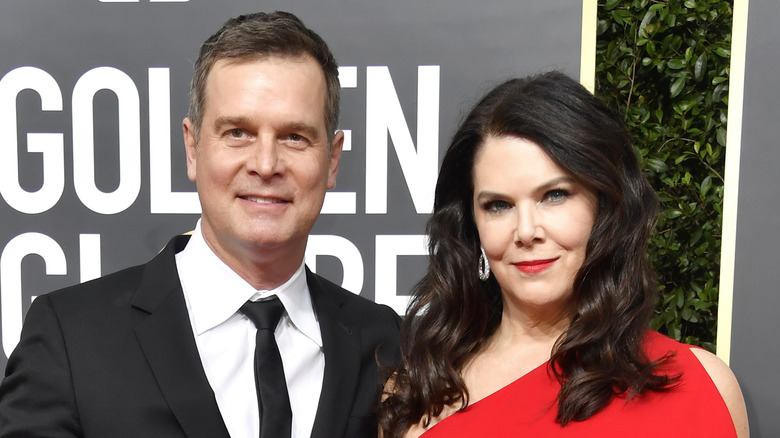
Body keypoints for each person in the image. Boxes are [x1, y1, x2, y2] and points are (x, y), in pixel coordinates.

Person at [0, 11, 401, 438]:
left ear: (332, 159)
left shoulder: (388, 342)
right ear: (192, 148)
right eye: (238, 133)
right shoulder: (70, 337)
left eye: (294, 137)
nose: (266, 164)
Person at [378, 71, 748, 437]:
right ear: (471, 224)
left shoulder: (698, 384)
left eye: (554, 195)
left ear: (605, 205)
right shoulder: (416, 395)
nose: (525, 231)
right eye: (498, 205)